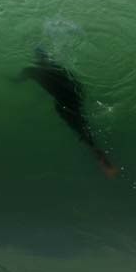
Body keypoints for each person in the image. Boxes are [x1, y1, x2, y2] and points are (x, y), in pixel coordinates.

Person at [16, 48, 119, 178]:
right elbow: (77, 84)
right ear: (47, 58)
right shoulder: (58, 67)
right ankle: (100, 155)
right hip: (75, 97)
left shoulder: (32, 71)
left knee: (81, 129)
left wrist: (11, 80)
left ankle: (100, 157)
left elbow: (19, 79)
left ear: (37, 60)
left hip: (64, 102)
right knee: (82, 124)